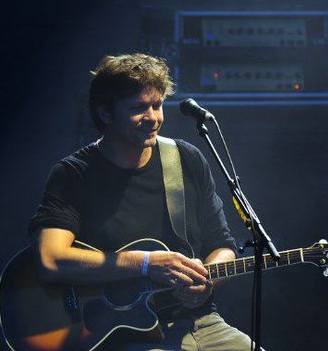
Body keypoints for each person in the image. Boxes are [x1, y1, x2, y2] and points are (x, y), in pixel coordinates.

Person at [29, 53, 263, 350]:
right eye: (139, 108)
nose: (153, 117)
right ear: (105, 114)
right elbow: (50, 259)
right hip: (121, 334)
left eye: (157, 105)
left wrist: (206, 282)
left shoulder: (185, 159)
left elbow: (223, 246)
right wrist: (145, 263)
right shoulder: (74, 174)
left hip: (200, 323)